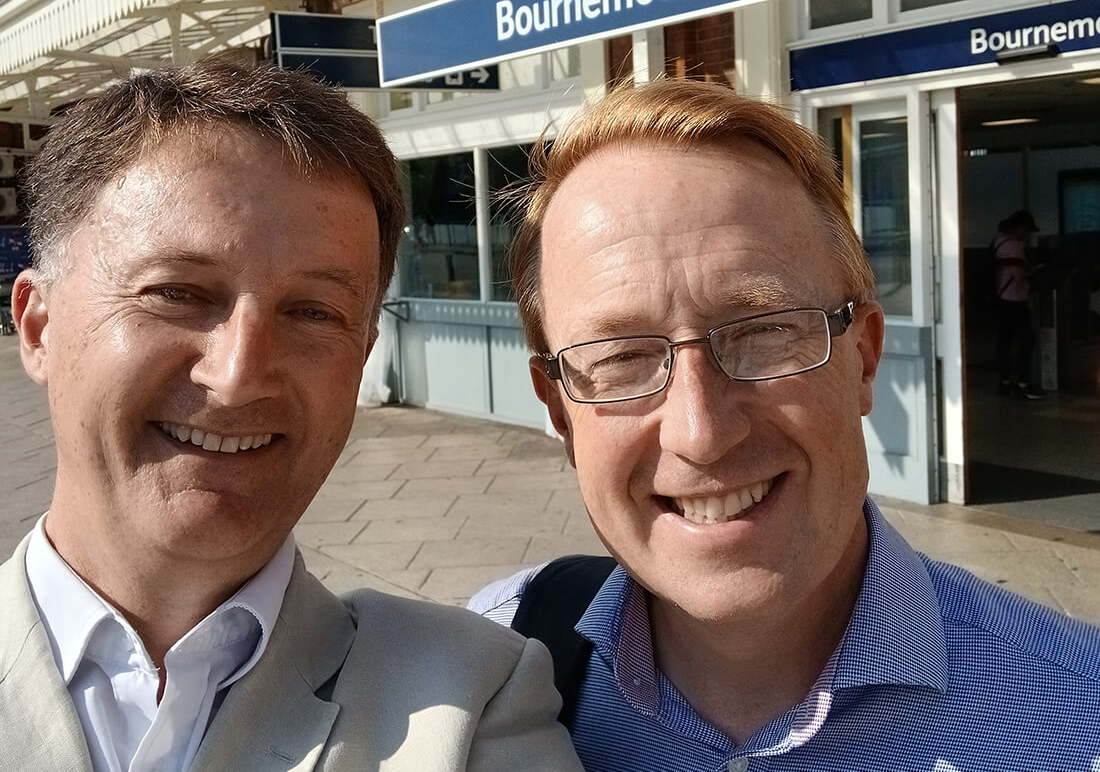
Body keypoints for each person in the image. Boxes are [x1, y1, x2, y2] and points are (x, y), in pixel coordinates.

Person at [469, 80, 1100, 771]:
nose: (700, 431)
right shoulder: (482, 676)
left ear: (862, 359)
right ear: (560, 411)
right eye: (620, 357)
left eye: (764, 331)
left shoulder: (1079, 719)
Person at [1, 59, 581, 771]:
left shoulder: (473, 699)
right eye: (177, 293)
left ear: (361, 354)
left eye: (313, 312)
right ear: (38, 326)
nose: (239, 375)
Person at [992, 209, 1044, 399]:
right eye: (1028, 231)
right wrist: (1035, 270)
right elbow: (1018, 276)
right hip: (1014, 301)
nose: (1027, 236)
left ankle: (1005, 382)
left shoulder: (998, 241)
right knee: (1027, 340)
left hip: (1001, 299)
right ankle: (1023, 383)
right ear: (1020, 228)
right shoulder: (1013, 246)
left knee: (1005, 343)